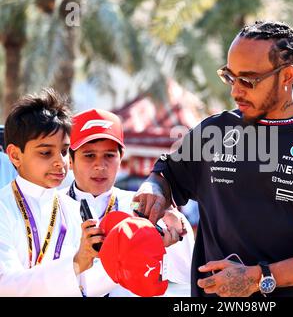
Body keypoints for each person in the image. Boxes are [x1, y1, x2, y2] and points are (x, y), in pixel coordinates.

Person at [133, 20, 293, 297]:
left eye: (248, 80)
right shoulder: (214, 132)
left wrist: (258, 277)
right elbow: (166, 175)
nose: (235, 91)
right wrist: (154, 190)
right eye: (230, 77)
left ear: (287, 76)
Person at [62, 108, 195, 296]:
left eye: (109, 155)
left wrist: (177, 233)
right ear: (70, 159)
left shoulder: (140, 207)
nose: (100, 165)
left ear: (121, 157)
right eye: (89, 155)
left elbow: (184, 273)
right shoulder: (51, 206)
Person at [0, 88, 114, 296]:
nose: (60, 162)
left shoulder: (71, 208)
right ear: (15, 155)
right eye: (45, 152)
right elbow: (5, 285)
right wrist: (76, 262)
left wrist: (127, 258)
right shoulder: (3, 208)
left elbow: (85, 285)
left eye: (64, 151)